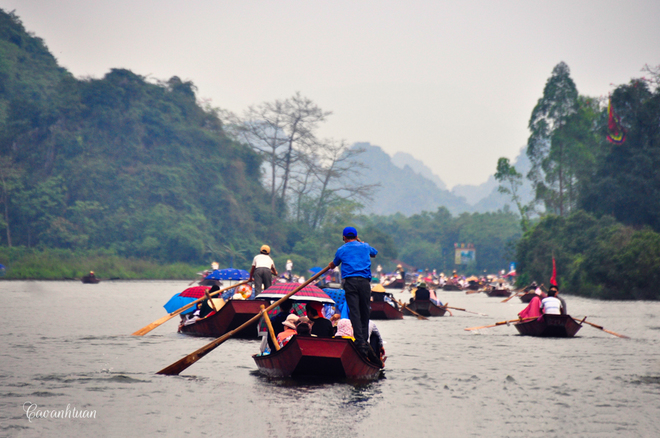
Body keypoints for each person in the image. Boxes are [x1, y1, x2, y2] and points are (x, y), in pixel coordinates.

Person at [328, 226, 378, 359]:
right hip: (364, 283)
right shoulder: (365, 246)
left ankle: (360, 341)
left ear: (344, 237)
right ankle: (364, 340)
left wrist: (331, 264)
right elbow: (374, 253)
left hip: (350, 283)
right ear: (356, 236)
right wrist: (361, 243)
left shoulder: (342, 249)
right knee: (364, 310)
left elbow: (334, 264)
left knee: (355, 311)